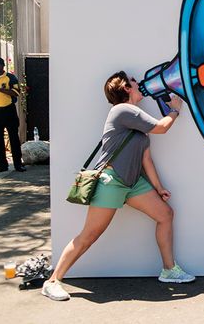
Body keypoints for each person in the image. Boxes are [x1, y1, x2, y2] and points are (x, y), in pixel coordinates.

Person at [42, 71, 195, 301]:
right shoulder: (123, 110)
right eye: (134, 82)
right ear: (126, 88)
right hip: (111, 182)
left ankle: (168, 270)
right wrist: (175, 109)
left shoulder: (136, 120)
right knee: (90, 235)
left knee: (165, 214)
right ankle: (53, 281)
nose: (138, 84)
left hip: (133, 183)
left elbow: (147, 161)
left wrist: (158, 187)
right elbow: (162, 127)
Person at [0, 56, 25, 173]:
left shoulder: (10, 77)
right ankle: (2, 165)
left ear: (1, 66)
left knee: (13, 138)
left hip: (8, 110)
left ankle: (18, 164)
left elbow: (16, 92)